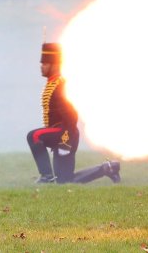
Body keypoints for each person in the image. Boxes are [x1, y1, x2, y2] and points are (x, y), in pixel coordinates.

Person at [27, 43, 120, 184]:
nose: (42, 66)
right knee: (64, 182)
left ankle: (46, 176)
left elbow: (72, 115)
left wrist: (65, 142)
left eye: (45, 63)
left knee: (34, 136)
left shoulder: (60, 85)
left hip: (65, 133)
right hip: (62, 134)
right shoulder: (53, 83)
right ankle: (107, 169)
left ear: (54, 65)